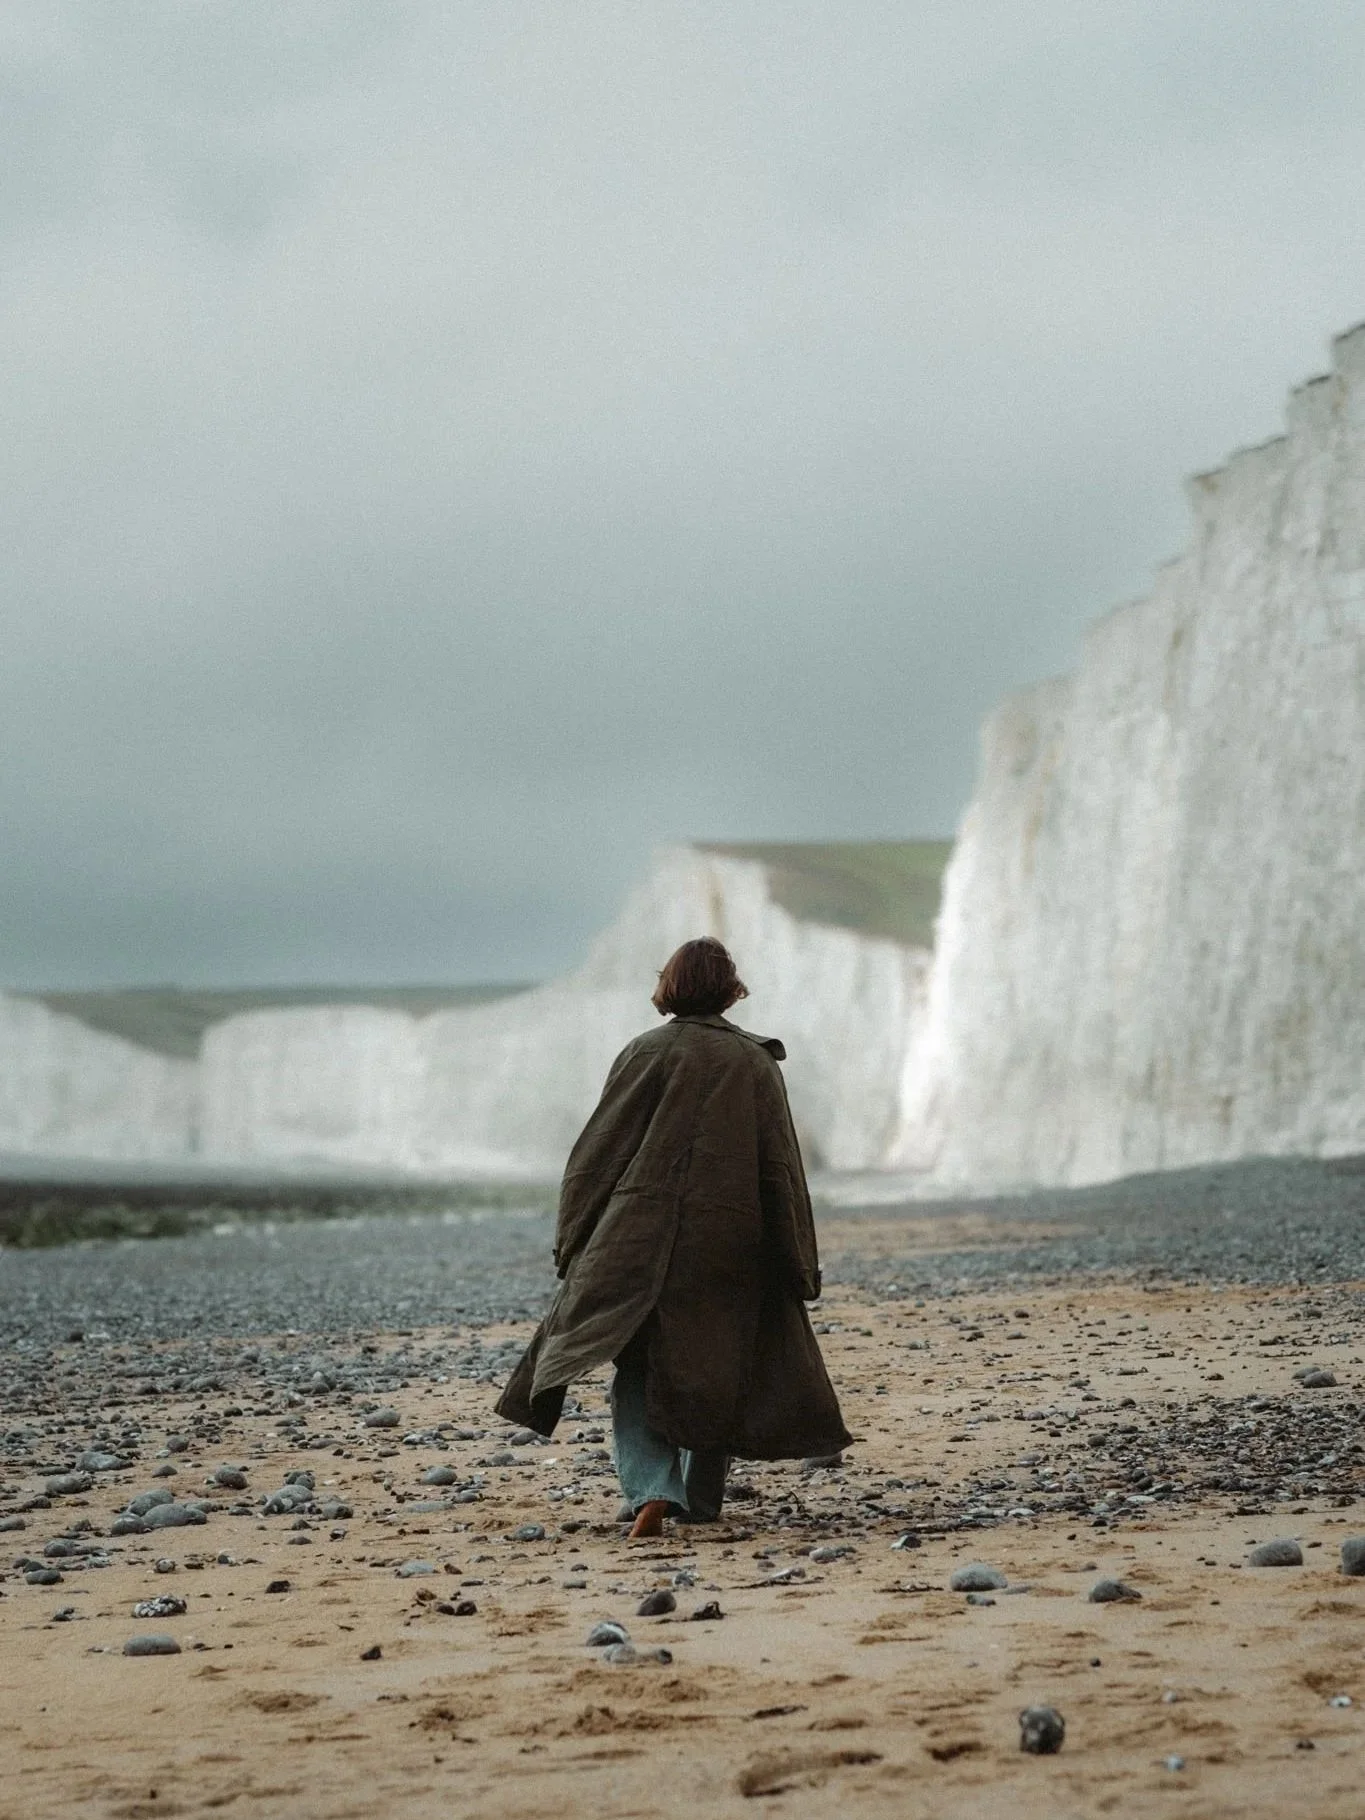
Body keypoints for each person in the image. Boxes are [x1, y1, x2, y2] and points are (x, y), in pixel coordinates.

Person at [495, 936, 851, 1539]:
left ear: (670, 987)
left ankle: (654, 1490)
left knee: (638, 1367)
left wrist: (573, 1238)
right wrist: (796, 1259)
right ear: (729, 987)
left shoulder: (646, 1052)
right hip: (733, 1237)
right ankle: (700, 1499)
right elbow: (781, 1169)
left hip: (643, 1237)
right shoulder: (757, 1063)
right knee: (718, 1364)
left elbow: (599, 1155)